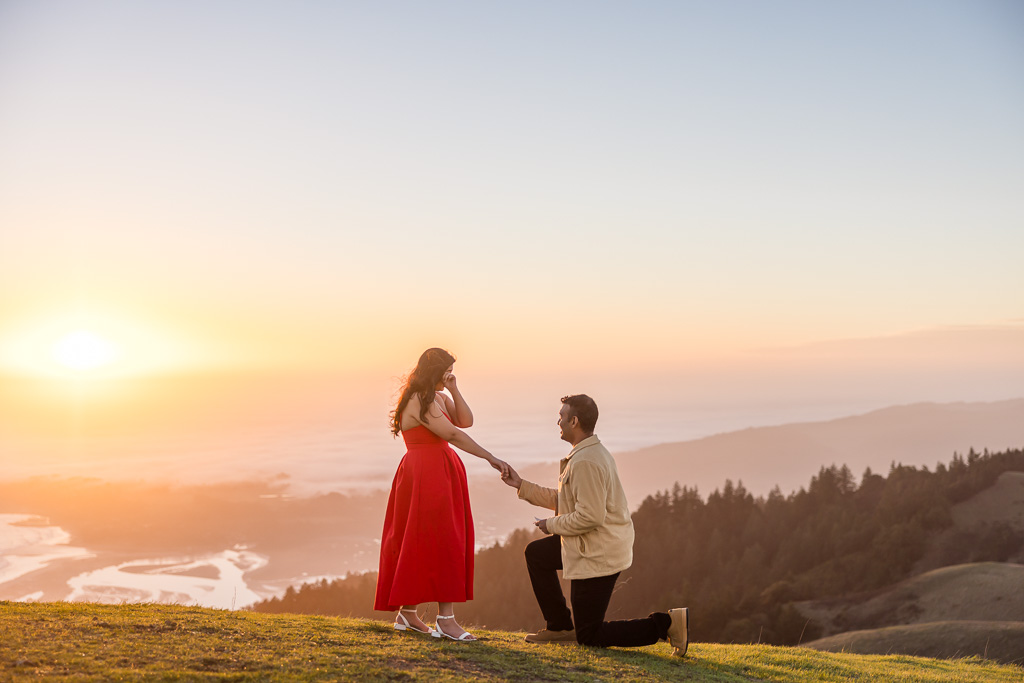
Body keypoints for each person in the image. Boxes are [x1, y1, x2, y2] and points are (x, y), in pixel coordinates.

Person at [500, 394, 689, 655]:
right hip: (591, 543)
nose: (558, 421)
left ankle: (666, 625)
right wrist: (522, 486)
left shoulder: (586, 461)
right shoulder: (587, 453)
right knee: (537, 554)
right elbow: (566, 500)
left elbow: (589, 517)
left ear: (574, 421)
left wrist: (551, 525)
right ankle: (559, 627)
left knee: (590, 635)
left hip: (598, 552)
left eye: (561, 417)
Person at [374, 348, 509, 641]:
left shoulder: (438, 398)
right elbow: (453, 435)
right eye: (446, 371)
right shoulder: (417, 400)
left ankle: (408, 615)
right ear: (433, 370)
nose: (449, 375)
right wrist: (490, 457)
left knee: (432, 539)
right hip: (424, 475)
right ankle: (445, 620)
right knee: (440, 539)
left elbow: (465, 421)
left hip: (440, 473)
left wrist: (453, 388)